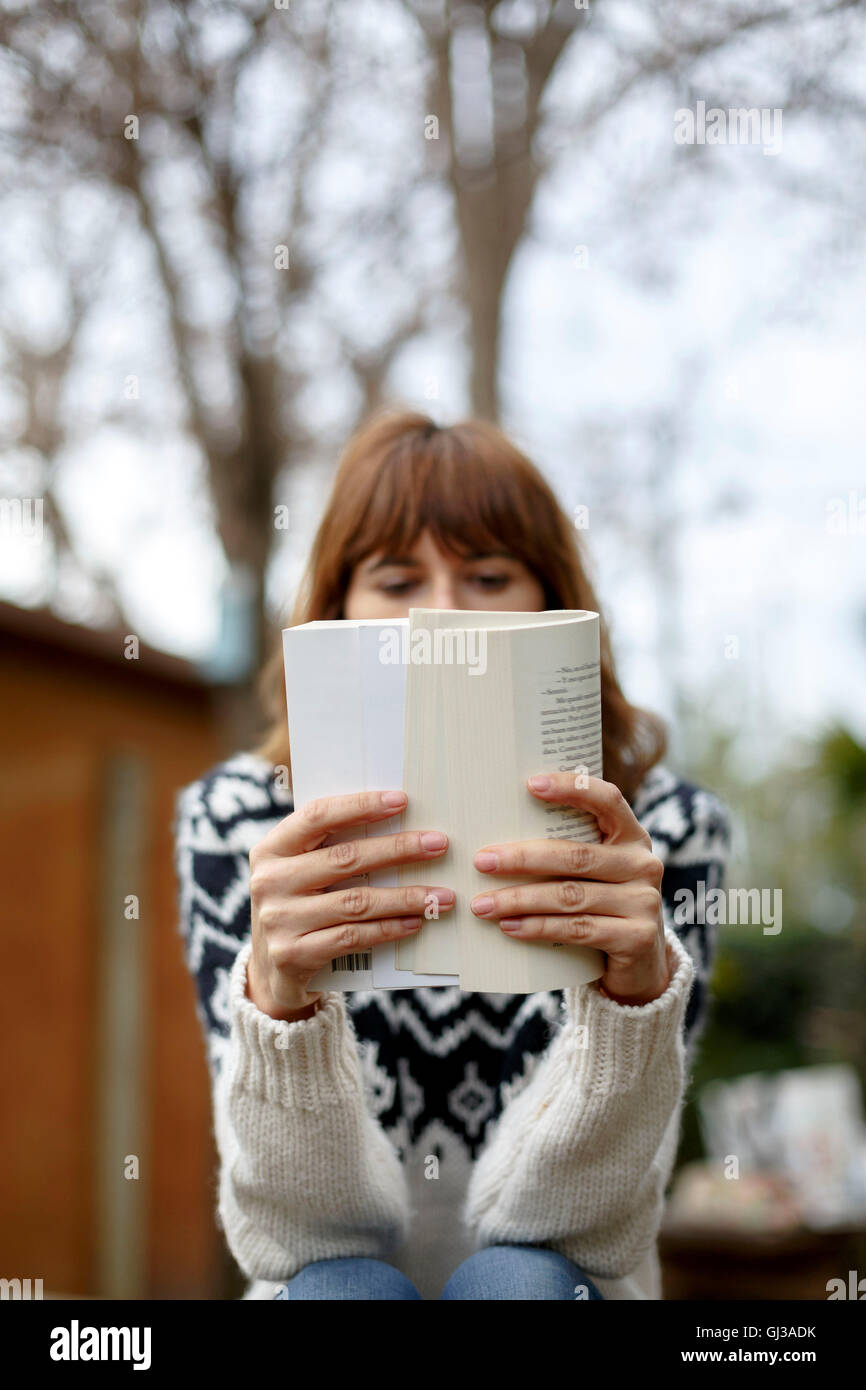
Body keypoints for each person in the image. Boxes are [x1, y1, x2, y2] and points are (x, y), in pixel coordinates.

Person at [173, 407, 731, 1301]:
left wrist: (628, 1004)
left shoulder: (663, 829)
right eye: (398, 579)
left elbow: (584, 1230)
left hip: (557, 1284)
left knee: (520, 1283)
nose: (441, 614)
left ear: (551, 602)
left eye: (487, 576)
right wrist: (278, 1008)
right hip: (332, 1287)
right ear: (337, 608)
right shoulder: (239, 822)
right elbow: (293, 1238)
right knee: (339, 1291)